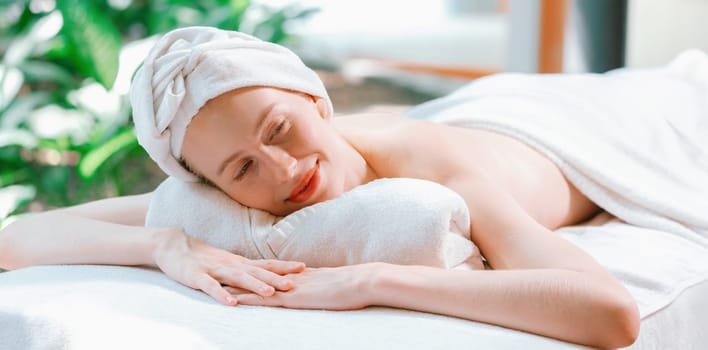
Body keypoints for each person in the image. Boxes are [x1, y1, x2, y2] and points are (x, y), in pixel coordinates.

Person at [1, 26, 671, 349]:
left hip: (587, 126)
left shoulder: (438, 167)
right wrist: (163, 245)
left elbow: (607, 313)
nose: (281, 170)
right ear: (212, 185)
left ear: (316, 98)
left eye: (281, 128)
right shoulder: (229, 195)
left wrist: (371, 281)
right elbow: (16, 240)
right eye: (240, 169)